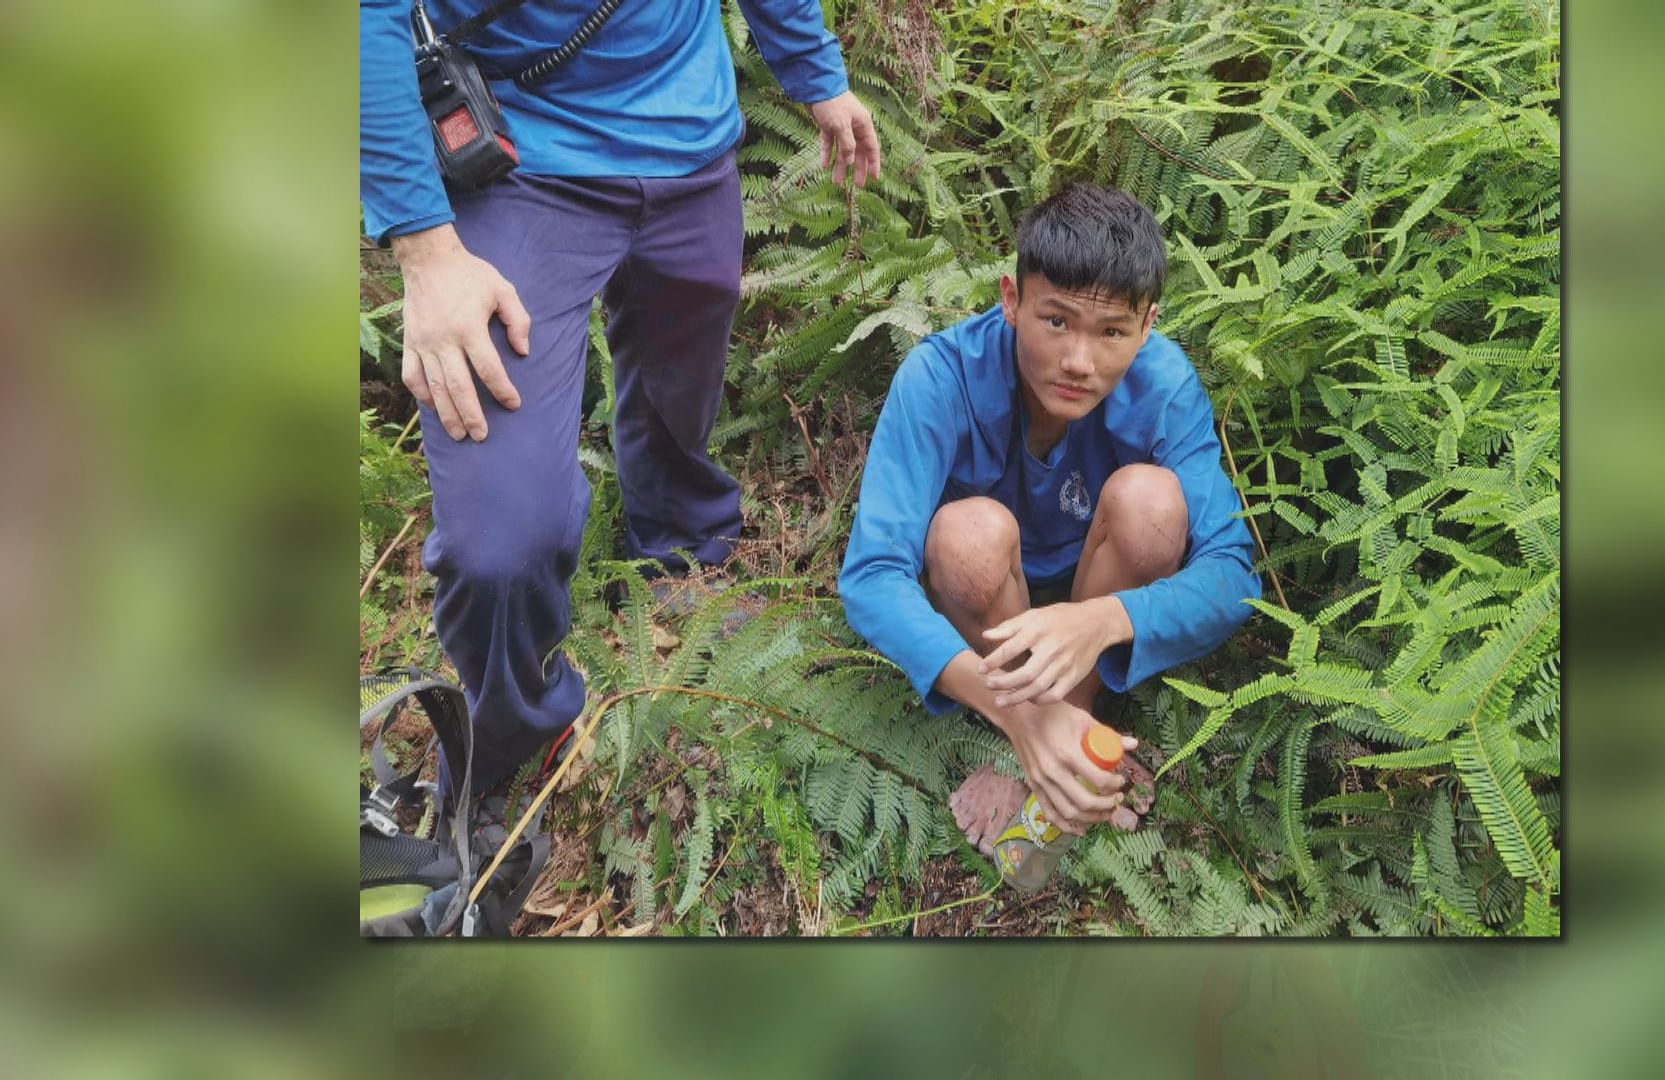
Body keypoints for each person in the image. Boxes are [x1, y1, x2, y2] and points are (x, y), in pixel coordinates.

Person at [360, 0, 881, 794]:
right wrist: (425, 250)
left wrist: (817, 77)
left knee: (683, 361)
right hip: (517, 162)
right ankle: (512, 737)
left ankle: (678, 550)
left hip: (693, 146)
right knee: (500, 545)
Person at [839, 183, 1260, 854]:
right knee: (967, 536)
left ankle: (1077, 717)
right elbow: (873, 575)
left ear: (1148, 325)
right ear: (1011, 299)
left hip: (1100, 581)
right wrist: (1018, 713)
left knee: (1152, 503)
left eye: (1113, 332)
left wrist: (1101, 619)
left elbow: (1231, 574)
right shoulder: (939, 377)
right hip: (986, 604)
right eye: (1056, 321)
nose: (1078, 361)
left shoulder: (1167, 385)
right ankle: (1036, 737)